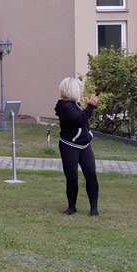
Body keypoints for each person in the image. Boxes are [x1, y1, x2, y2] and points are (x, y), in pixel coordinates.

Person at [54, 77, 100, 216]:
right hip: (69, 146)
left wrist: (88, 135)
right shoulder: (66, 107)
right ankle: (72, 207)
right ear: (72, 90)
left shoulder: (74, 104)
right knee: (72, 177)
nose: (81, 91)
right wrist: (91, 106)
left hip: (84, 145)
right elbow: (80, 120)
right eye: (79, 88)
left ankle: (94, 208)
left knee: (91, 174)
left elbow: (82, 122)